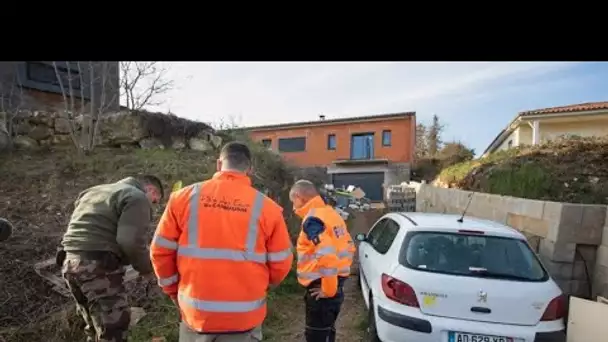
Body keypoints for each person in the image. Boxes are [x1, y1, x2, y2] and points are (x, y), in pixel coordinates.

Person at [150, 141, 294, 342]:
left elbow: (160, 252)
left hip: (196, 317)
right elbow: (281, 263)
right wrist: (261, 285)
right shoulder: (268, 209)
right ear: (249, 169)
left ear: (219, 164)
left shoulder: (181, 199)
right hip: (244, 319)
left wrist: (173, 291)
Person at [58, 175, 164, 342]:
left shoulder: (93, 191)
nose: (153, 205)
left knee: (94, 326)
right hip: (97, 266)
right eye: (155, 201)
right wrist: (146, 269)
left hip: (69, 262)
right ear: (151, 190)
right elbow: (130, 241)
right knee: (114, 328)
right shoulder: (136, 197)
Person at [290, 179, 356, 342]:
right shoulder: (332, 214)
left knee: (316, 336)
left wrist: (328, 290)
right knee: (328, 332)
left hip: (322, 286)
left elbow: (327, 255)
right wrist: (337, 283)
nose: (293, 207)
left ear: (299, 197)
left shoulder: (312, 220)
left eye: (293, 202)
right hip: (336, 282)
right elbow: (349, 246)